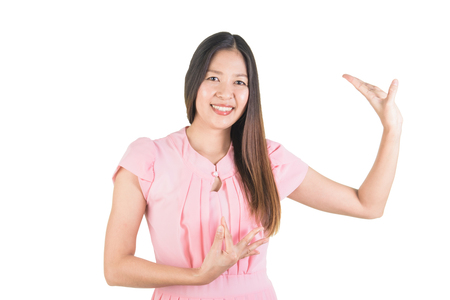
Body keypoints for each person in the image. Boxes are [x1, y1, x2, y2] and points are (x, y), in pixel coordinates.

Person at [103, 31, 403, 299]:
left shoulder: (267, 159)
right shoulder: (148, 158)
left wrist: (393, 129)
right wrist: (198, 277)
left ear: (250, 92)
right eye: (213, 77)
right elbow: (115, 268)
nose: (226, 93)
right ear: (194, 81)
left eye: (239, 82)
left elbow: (368, 206)